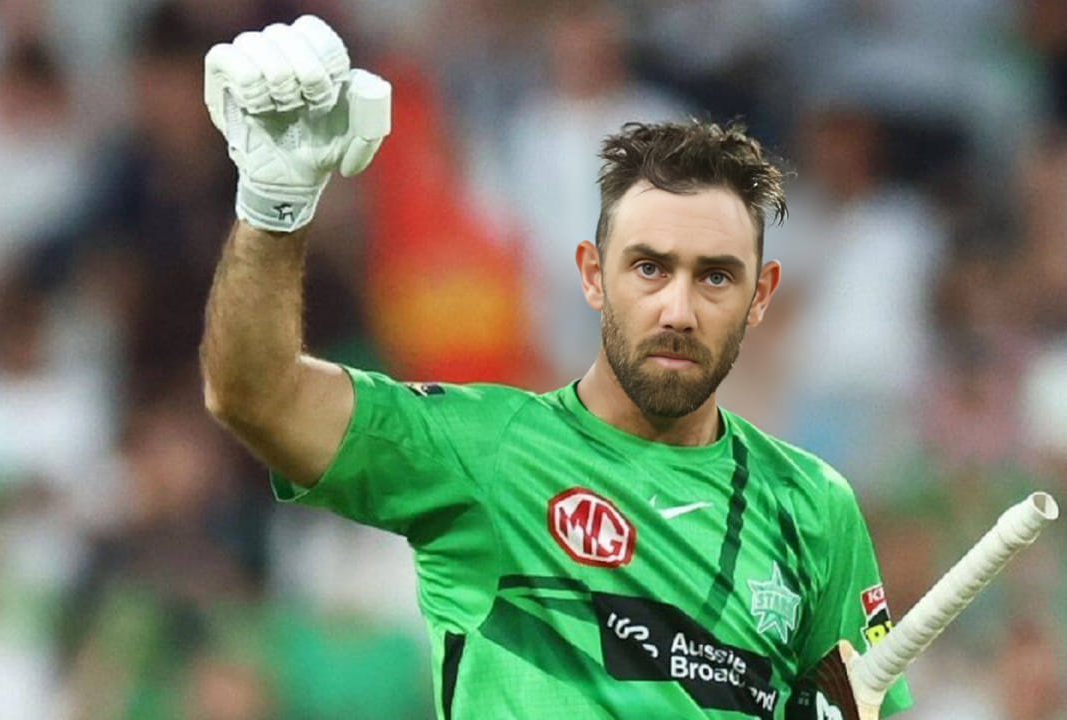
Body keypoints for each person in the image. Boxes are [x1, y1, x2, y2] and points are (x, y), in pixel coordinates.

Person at [199, 16, 911, 720]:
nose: (679, 310)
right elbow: (257, 397)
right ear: (593, 276)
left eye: (716, 277)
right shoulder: (485, 449)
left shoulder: (814, 506)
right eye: (649, 268)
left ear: (760, 297)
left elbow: (865, 709)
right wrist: (273, 207)